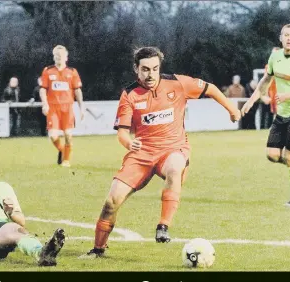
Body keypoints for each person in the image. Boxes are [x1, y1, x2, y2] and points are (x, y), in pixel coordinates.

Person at [79, 47, 241, 259]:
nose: (150, 74)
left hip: (172, 148)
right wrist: (129, 144)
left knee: (175, 168)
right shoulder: (129, 95)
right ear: (136, 69)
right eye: (145, 69)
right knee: (111, 202)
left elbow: (210, 88)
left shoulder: (178, 83)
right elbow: (122, 133)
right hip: (141, 154)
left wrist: (231, 109)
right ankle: (98, 249)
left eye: (155, 69)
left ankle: (163, 226)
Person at [241, 24, 290, 208]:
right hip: (282, 115)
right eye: (286, 35)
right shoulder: (275, 57)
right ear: (280, 38)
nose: (289, 38)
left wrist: (288, 95)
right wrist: (251, 100)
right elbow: (265, 81)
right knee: (272, 155)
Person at [39, 45, 86, 167]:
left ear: (66, 57)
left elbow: (77, 91)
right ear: (53, 57)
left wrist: (82, 107)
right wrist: (45, 104)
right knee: (53, 136)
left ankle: (66, 161)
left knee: (68, 135)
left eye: (61, 55)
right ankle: (63, 150)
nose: (59, 57)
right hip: (53, 108)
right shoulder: (48, 71)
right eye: (56, 55)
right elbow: (43, 89)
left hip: (67, 108)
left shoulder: (72, 72)